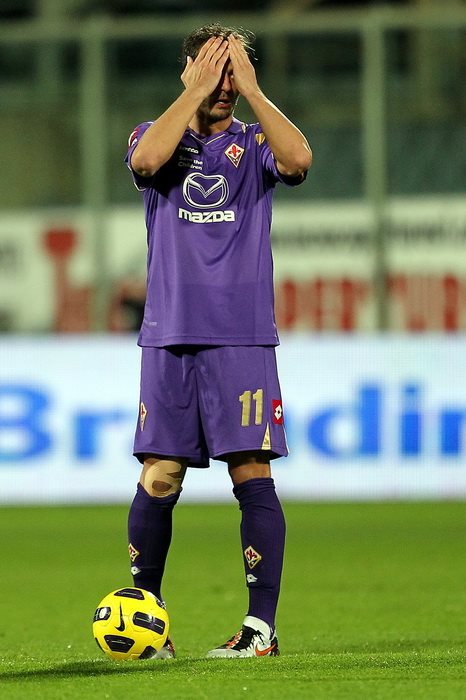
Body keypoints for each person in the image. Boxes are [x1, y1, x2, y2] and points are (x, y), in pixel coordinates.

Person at [125, 22, 312, 659]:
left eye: (234, 71)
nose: (224, 84)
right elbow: (145, 163)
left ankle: (260, 629)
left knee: (251, 470)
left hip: (241, 334)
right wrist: (194, 91)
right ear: (188, 70)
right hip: (169, 334)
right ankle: (149, 622)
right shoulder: (154, 137)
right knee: (160, 475)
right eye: (214, 69)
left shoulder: (256, 144)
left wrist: (253, 90)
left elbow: (300, 162)